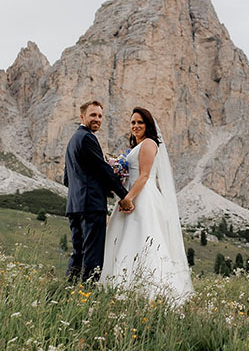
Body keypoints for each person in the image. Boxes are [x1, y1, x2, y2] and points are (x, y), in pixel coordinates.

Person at [100, 107, 194, 304]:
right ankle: (122, 286)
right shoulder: (137, 145)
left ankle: (154, 291)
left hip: (142, 197)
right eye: (133, 122)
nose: (135, 126)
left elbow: (144, 175)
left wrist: (128, 199)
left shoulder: (150, 144)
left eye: (140, 123)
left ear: (148, 125)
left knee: (143, 238)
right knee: (124, 237)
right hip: (131, 195)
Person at [63, 100, 133, 282]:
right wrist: (125, 196)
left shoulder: (72, 141)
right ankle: (87, 296)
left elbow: (66, 179)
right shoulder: (87, 138)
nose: (97, 119)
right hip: (91, 205)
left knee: (78, 253)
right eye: (93, 115)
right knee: (93, 255)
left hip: (74, 205)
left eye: (100, 116)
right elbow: (103, 170)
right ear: (82, 116)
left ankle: (67, 291)